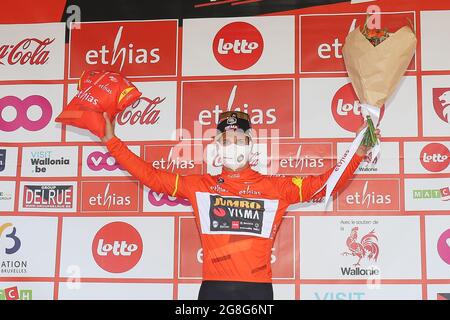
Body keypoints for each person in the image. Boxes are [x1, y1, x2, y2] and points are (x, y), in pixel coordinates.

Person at [100, 110, 380, 300]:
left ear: (249, 144)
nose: (232, 145)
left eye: (238, 140)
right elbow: (151, 176)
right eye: (226, 140)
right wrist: (111, 141)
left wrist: (358, 151)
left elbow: (323, 185)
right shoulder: (200, 186)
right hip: (213, 291)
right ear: (217, 147)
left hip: (257, 292)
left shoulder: (275, 188)